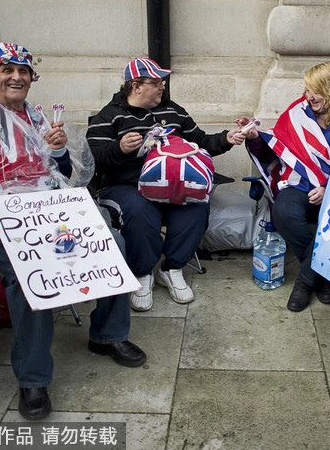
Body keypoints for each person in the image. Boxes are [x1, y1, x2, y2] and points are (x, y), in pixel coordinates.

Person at [0, 43, 146, 421]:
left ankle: (107, 335)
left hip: (51, 211)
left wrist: (60, 150)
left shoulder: (36, 117)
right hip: (1, 222)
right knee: (27, 273)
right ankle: (32, 377)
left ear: (32, 78)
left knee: (112, 242)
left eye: (24, 71)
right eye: (7, 70)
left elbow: (61, 173)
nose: (16, 77)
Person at [87, 58, 247, 311]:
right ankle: (142, 272)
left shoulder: (173, 111)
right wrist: (118, 148)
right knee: (141, 210)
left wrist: (226, 139)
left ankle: (171, 268)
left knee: (197, 204)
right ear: (135, 86)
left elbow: (199, 140)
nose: (162, 87)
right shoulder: (108, 116)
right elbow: (92, 159)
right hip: (124, 186)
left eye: (162, 82)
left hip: (172, 182)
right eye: (155, 83)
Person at [242, 62, 330, 312]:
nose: (310, 96)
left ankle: (306, 281)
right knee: (283, 212)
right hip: (300, 184)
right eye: (308, 89)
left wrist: (329, 185)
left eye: (317, 90)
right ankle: (324, 274)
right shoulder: (297, 114)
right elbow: (274, 150)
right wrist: (254, 138)